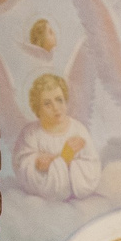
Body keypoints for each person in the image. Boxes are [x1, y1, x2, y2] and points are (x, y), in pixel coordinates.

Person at [13, 73, 102, 201]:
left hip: (76, 201)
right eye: (47, 104)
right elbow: (21, 167)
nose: (56, 108)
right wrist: (37, 164)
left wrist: (65, 162)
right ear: (38, 108)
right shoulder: (31, 134)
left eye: (59, 100)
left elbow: (93, 166)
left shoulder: (78, 130)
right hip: (41, 202)